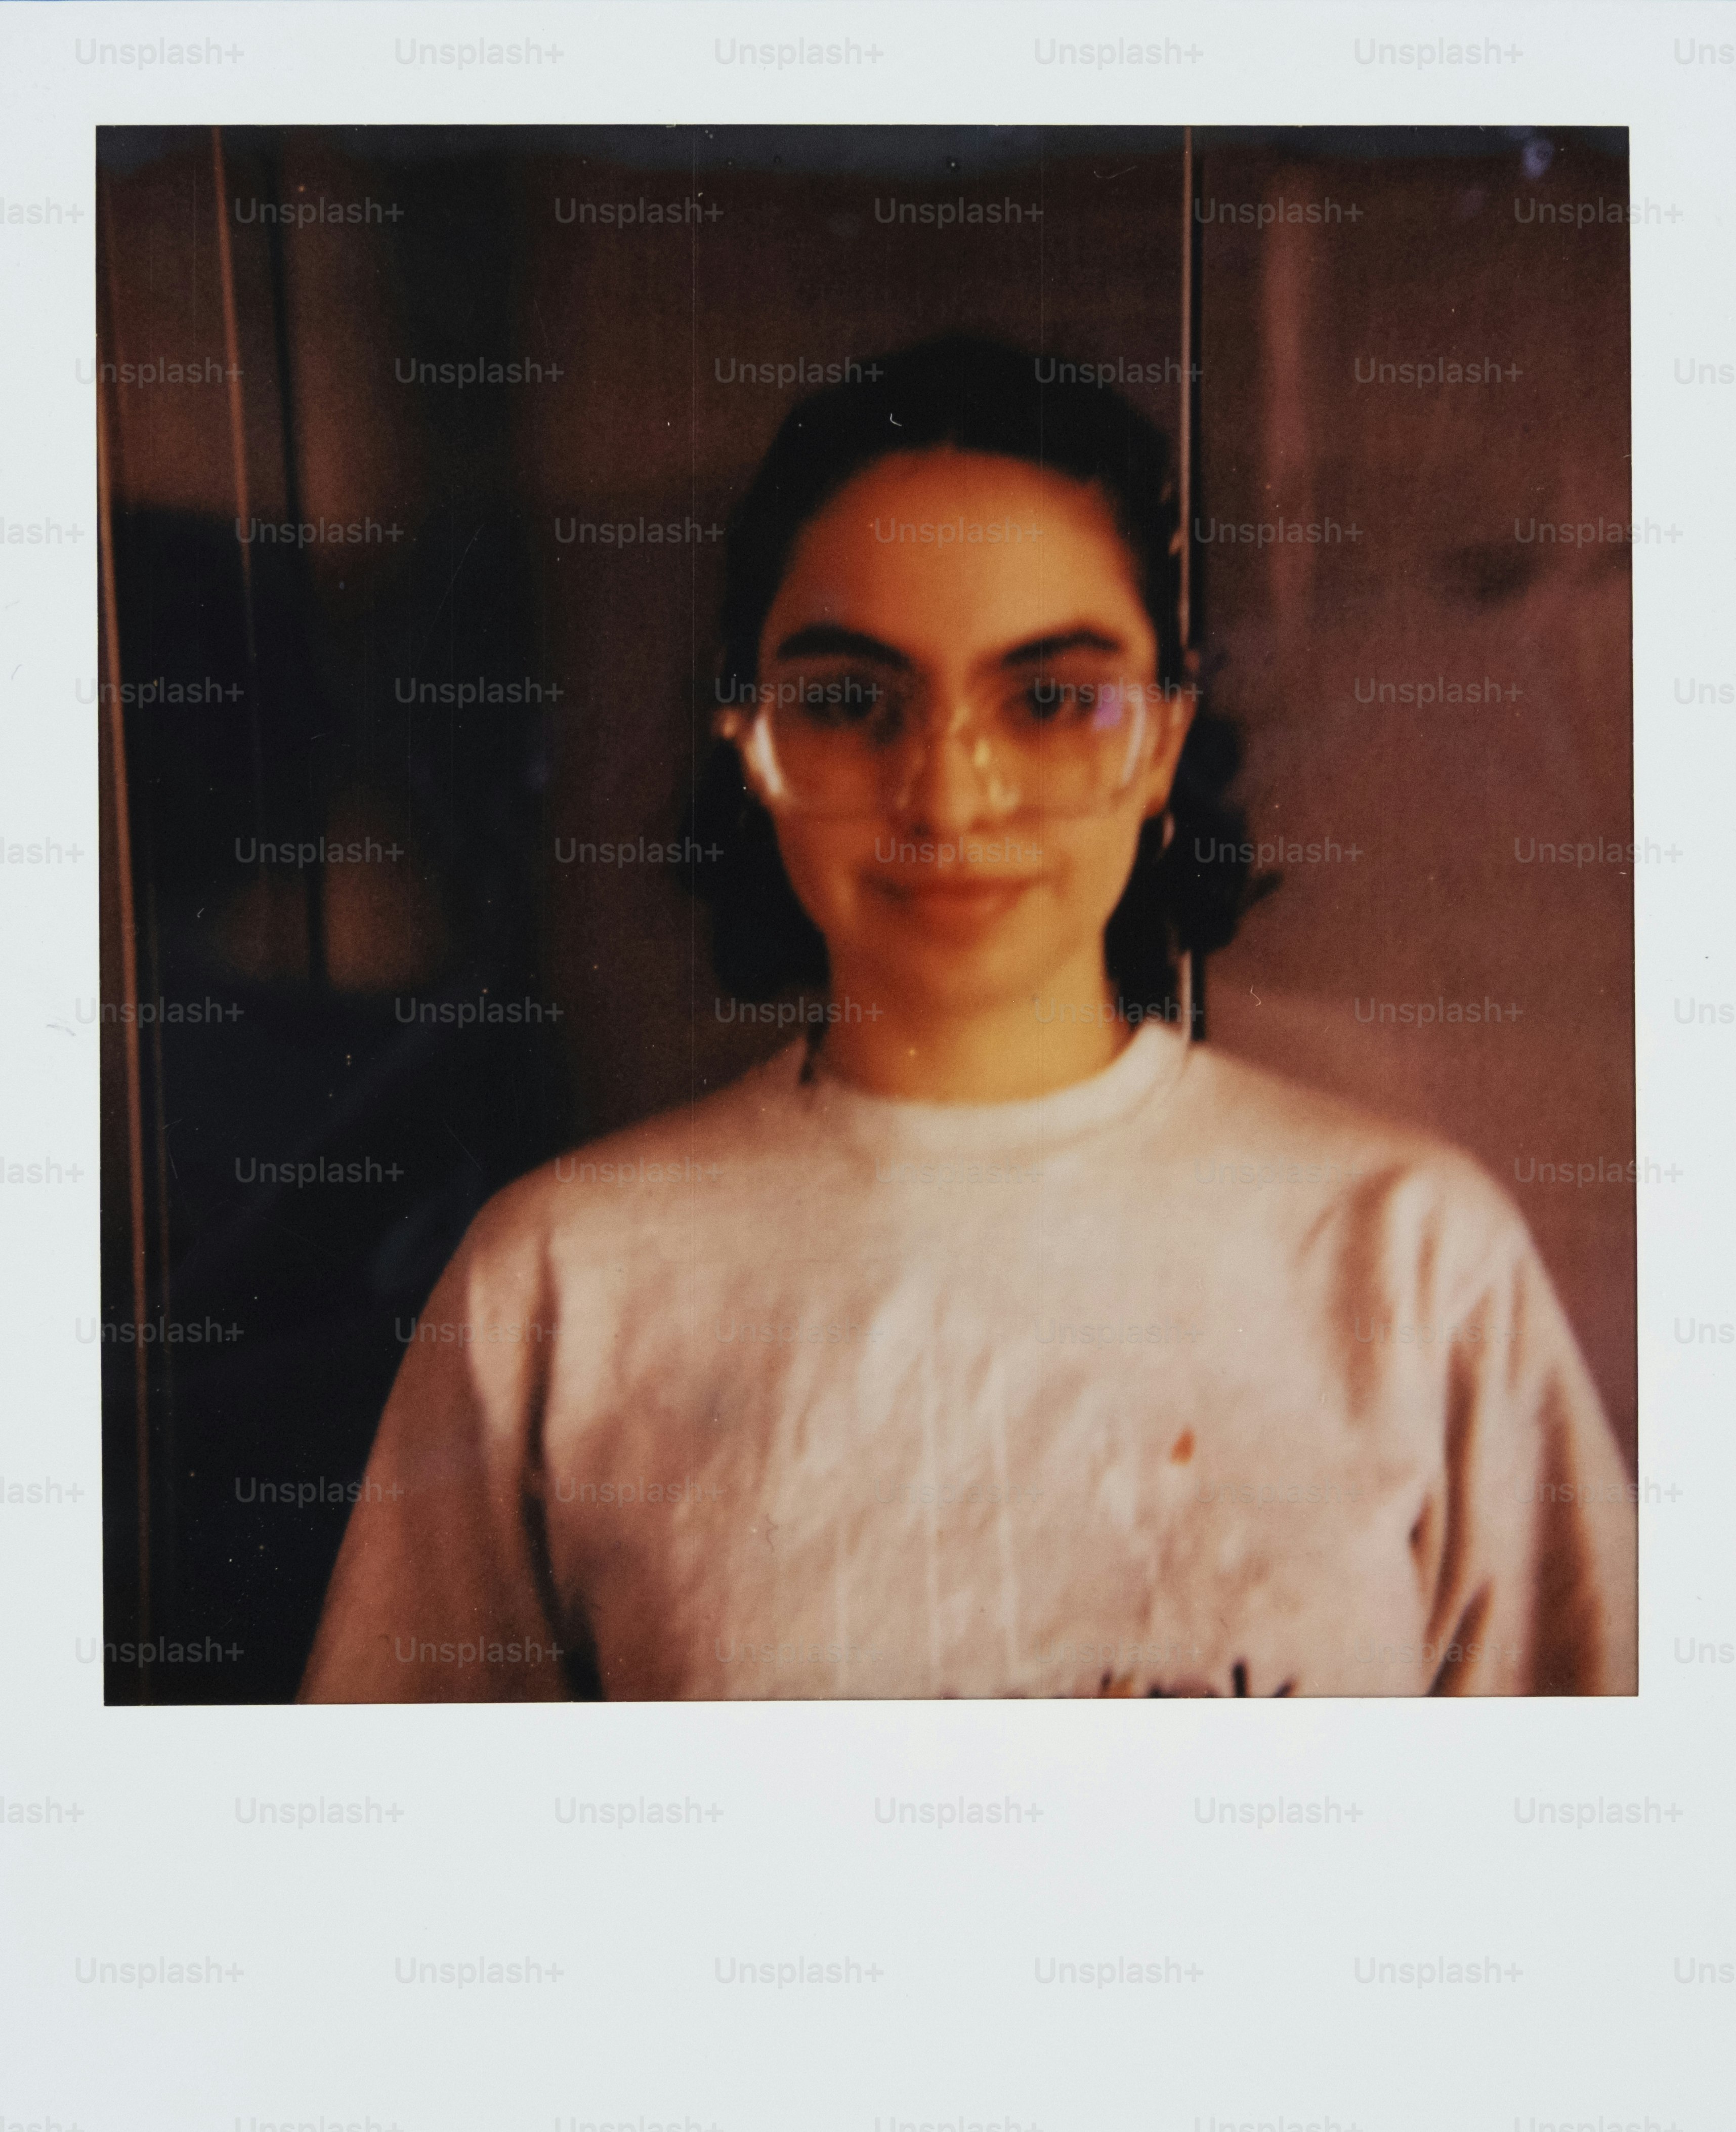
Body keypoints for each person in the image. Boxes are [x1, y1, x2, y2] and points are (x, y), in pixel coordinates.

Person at [301, 337, 1636, 1702]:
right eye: (850, 703)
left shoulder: (1410, 1261)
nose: (949, 800)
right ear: (748, 742)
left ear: (1163, 739)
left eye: (1051, 698)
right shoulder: (562, 1288)